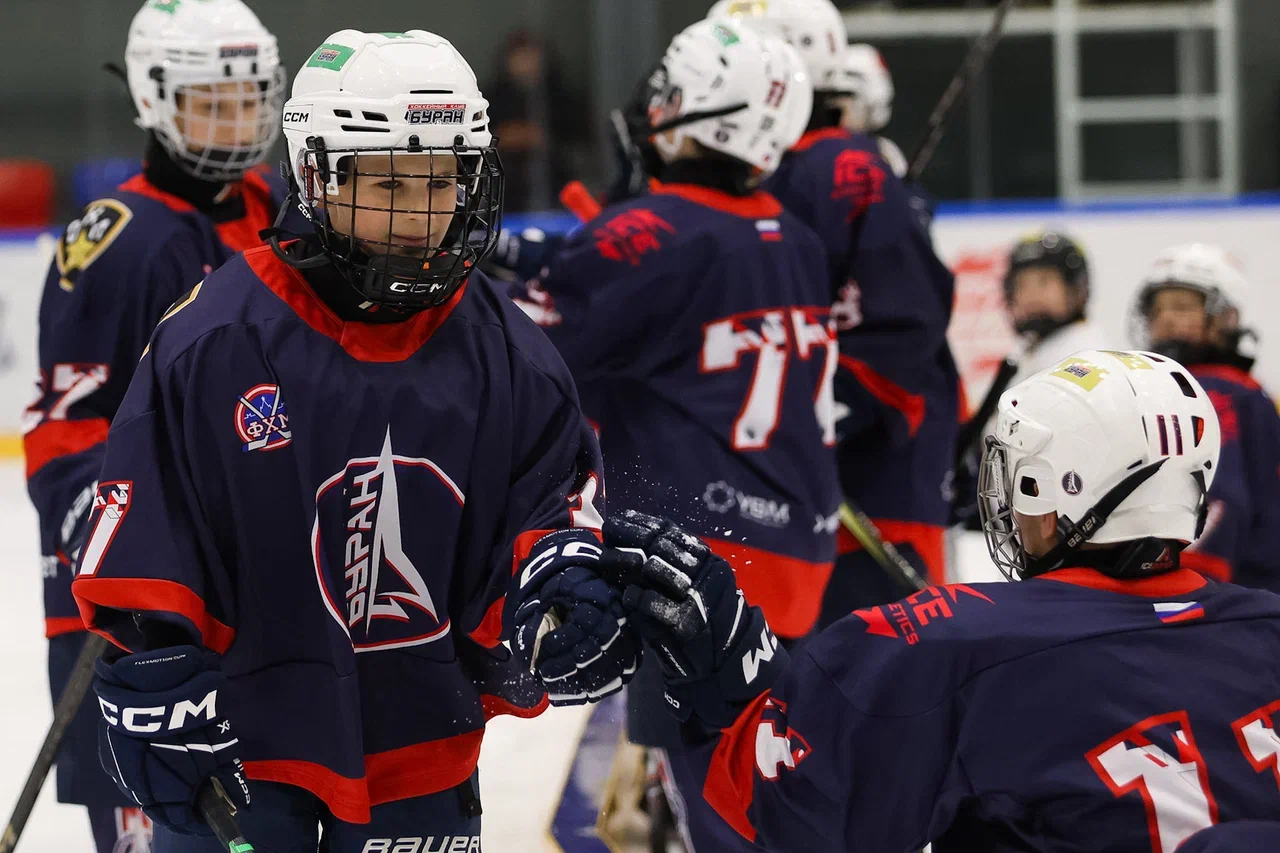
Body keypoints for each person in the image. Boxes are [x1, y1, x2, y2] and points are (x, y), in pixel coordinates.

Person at [70, 29, 639, 851]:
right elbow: (152, 521)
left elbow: (549, 507)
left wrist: (561, 587)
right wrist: (155, 658)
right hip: (244, 748)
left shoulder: (509, 352)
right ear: (317, 174)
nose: (417, 215)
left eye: (442, 180)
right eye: (387, 181)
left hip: (422, 739)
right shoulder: (217, 338)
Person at [602, 349, 1280, 852]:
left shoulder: (952, 641)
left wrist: (733, 680)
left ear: (1058, 492)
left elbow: (793, 809)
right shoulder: (1265, 629)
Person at [505, 18, 837, 852]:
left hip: (701, 560)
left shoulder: (644, 234)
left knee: (721, 803)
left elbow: (526, 350)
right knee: (774, 778)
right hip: (798, 553)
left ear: (691, 109)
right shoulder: (793, 236)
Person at [23, 2, 290, 850]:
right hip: (146, 619)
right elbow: (65, 431)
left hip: (260, 603)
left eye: (249, 99)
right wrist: (124, 560)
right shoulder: (124, 243)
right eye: (211, 101)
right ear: (153, 98)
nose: (236, 121)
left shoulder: (273, 211)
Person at [710, 0, 961, 621]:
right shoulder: (767, 170)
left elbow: (904, 325)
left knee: (874, 695)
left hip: (869, 497)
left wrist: (825, 411)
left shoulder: (840, 166)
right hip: (773, 498)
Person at [1131, 243, 1280, 593]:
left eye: (1182, 307)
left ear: (1225, 316)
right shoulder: (1237, 388)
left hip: (1230, 598)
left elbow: (1220, 500)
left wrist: (1190, 586)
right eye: (1158, 309)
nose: (1165, 318)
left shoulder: (1214, 392)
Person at [952, 231, 1108, 527]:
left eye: (1045, 282)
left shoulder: (1086, 354)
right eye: (1023, 285)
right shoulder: (1031, 350)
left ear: (1077, 290)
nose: (1032, 295)